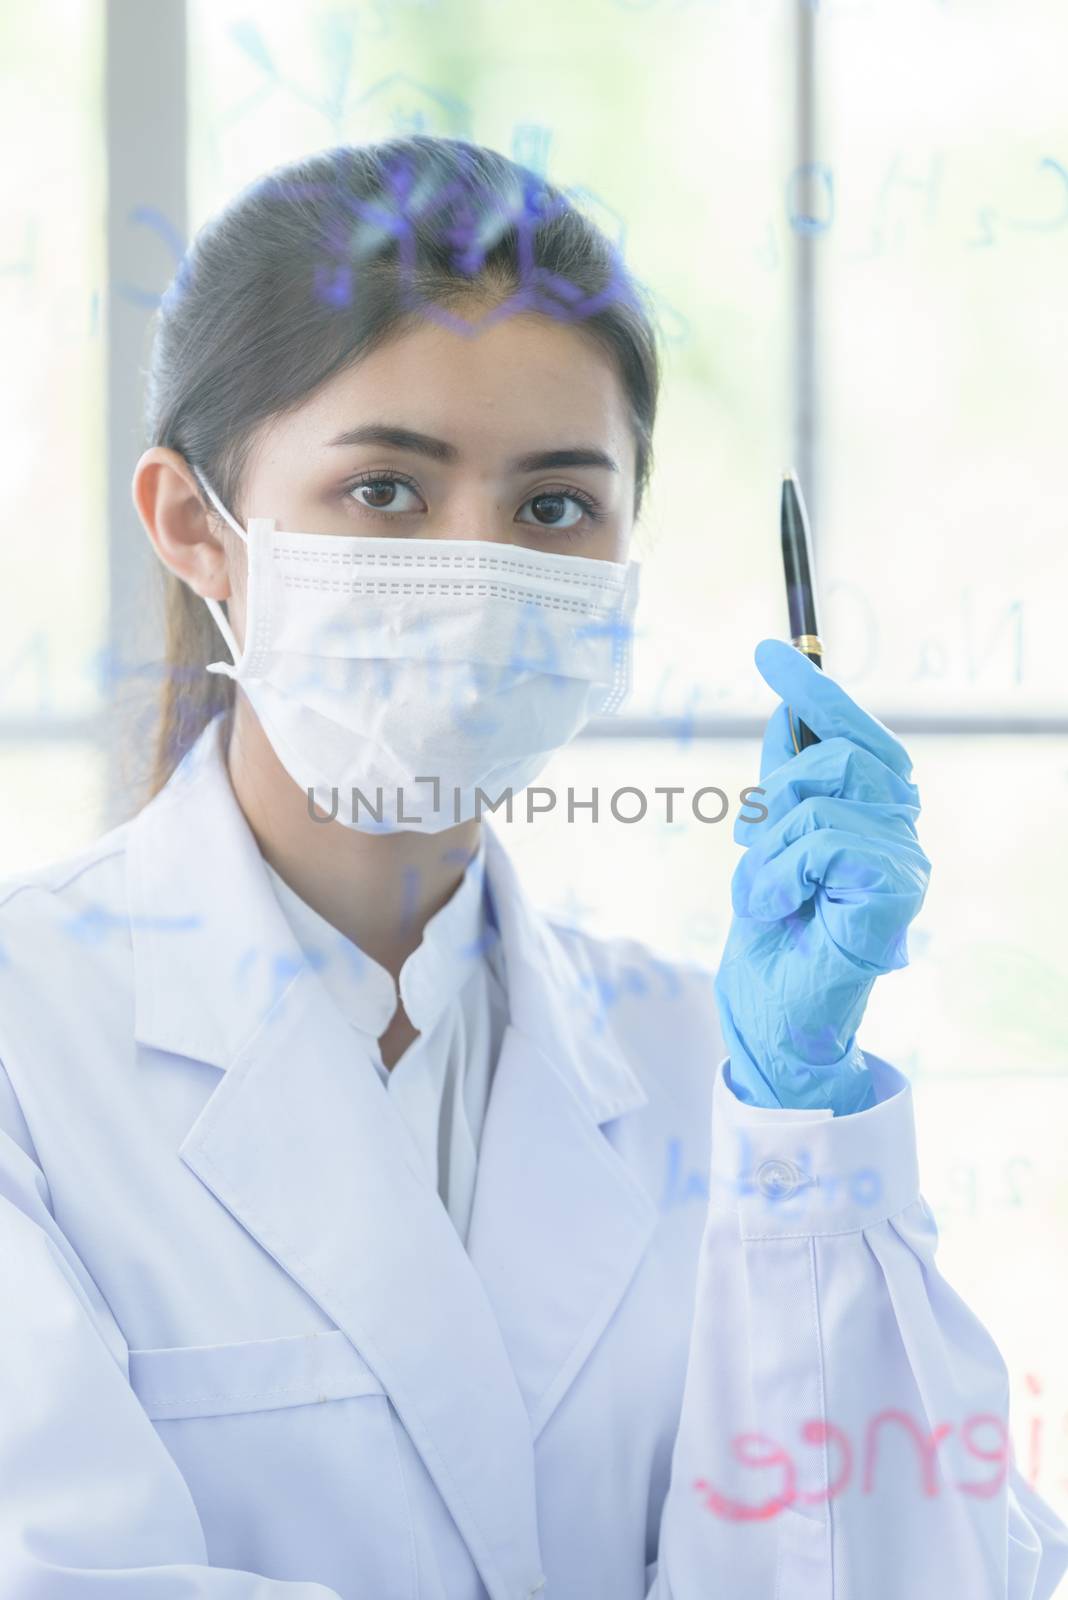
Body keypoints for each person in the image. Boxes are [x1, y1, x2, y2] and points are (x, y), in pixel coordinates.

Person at [0, 135, 1062, 1600]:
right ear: (199, 529)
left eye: (555, 506)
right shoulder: (25, 1037)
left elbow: (917, 1569)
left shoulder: (717, 1066)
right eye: (386, 491)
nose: (479, 563)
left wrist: (801, 1151)